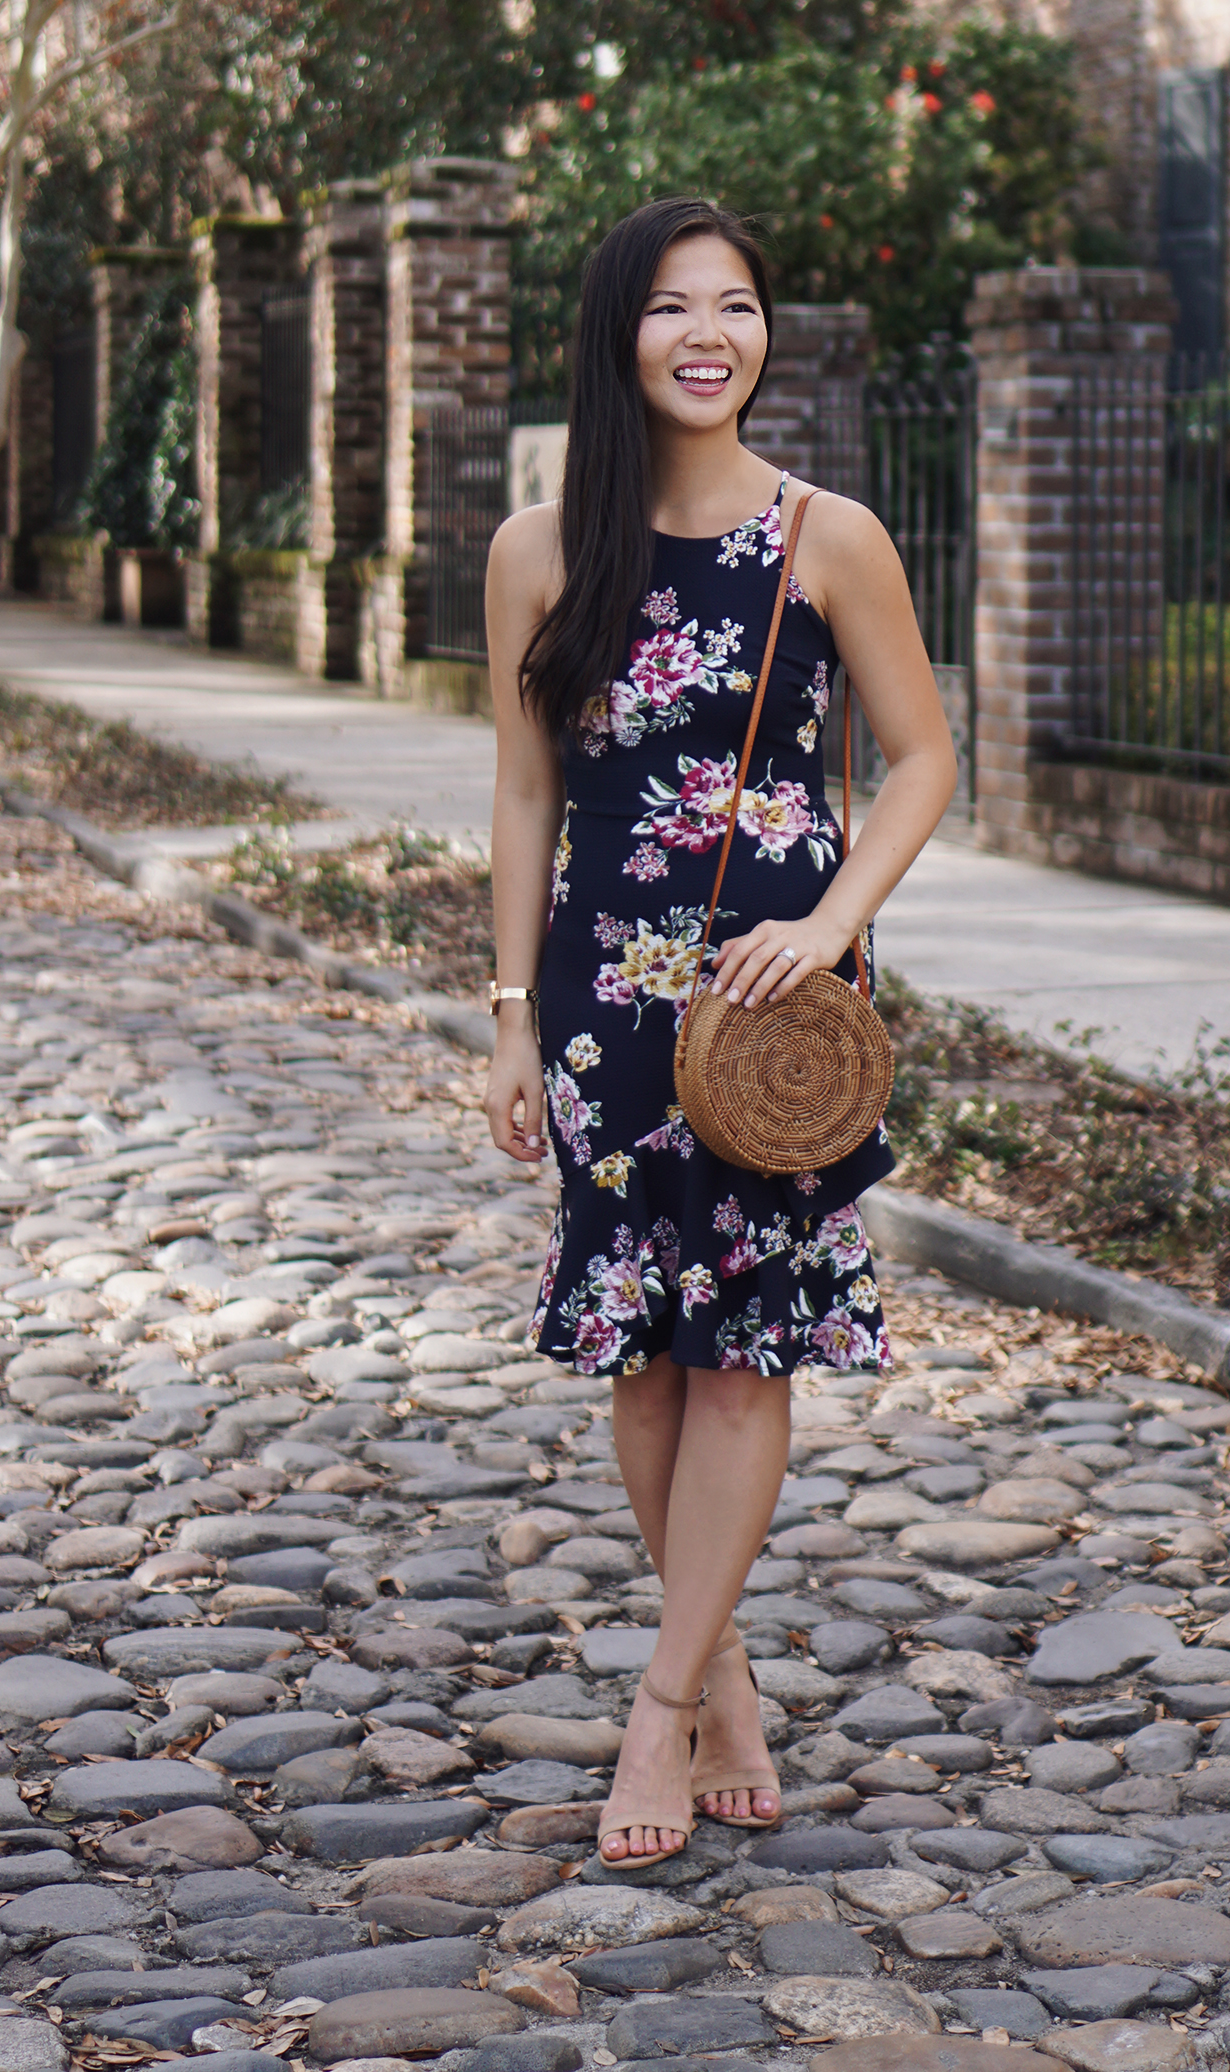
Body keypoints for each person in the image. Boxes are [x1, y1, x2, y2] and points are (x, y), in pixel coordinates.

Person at [483, 196, 958, 1867]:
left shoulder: (830, 537)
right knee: (643, 1348)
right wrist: (505, 1019)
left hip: (777, 1016)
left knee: (745, 1349)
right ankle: (726, 1672)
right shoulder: (540, 550)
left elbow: (922, 758)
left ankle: (657, 1708)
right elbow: (528, 789)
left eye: (738, 306)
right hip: (605, 1004)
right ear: (619, 333)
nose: (710, 334)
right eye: (675, 306)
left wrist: (832, 926)